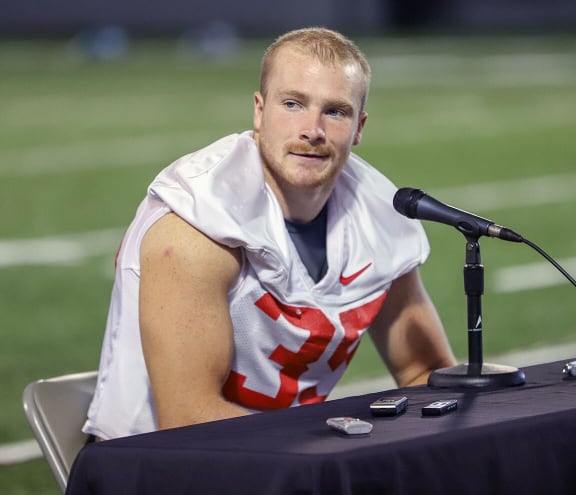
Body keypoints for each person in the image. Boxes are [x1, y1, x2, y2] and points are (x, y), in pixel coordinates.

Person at [83, 27, 456, 440]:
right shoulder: (197, 222)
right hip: (154, 465)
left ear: (359, 126)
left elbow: (424, 372)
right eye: (293, 104)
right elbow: (187, 420)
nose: (312, 129)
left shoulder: (380, 215)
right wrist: (329, 448)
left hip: (290, 455)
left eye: (335, 111)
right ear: (259, 112)